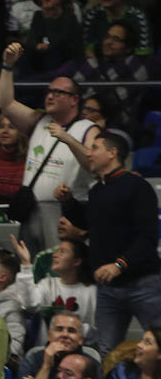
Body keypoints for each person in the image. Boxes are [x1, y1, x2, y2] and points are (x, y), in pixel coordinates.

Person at [60, 132, 161, 352]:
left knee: (159, 344)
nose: (89, 153)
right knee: (105, 351)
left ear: (112, 153)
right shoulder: (97, 190)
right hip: (108, 288)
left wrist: (119, 264)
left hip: (143, 283)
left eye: (95, 148)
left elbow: (148, 238)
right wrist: (68, 203)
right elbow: (89, 222)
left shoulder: (137, 186)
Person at [0, 42, 100, 250]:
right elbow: (5, 104)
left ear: (74, 100)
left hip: (64, 211)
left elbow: (93, 164)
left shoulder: (89, 129)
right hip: (31, 209)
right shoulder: (39, 120)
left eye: (58, 92)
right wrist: (7, 67)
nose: (50, 96)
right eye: (49, 91)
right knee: (31, 268)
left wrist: (68, 139)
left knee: (58, 268)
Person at [82, 0, 153, 57]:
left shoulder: (138, 17)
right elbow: (87, 50)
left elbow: (143, 54)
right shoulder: (92, 14)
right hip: (100, 66)